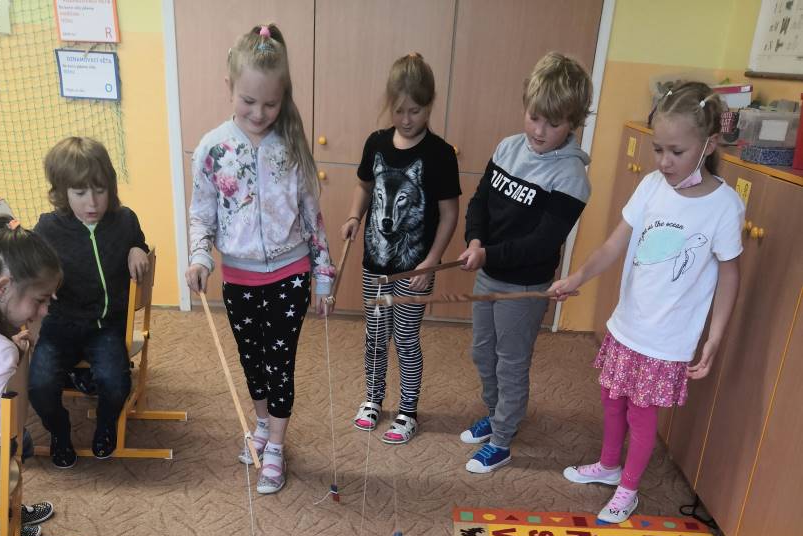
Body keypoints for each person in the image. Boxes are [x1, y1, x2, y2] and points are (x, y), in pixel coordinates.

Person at [551, 81, 743, 523]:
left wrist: (714, 339)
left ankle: (629, 488)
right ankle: (608, 464)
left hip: (666, 340)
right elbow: (614, 245)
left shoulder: (724, 207)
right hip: (628, 324)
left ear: (710, 144)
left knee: (641, 414)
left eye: (676, 151)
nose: (664, 161)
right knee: (611, 397)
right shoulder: (652, 186)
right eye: (658, 149)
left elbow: (730, 276)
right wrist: (577, 277)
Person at [186, 24, 334, 494]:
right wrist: (199, 258)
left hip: (291, 275)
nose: (259, 113)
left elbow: (312, 217)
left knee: (280, 362)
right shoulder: (212, 149)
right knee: (252, 361)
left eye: (271, 104)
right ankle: (263, 424)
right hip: (239, 278)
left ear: (283, 96)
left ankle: (276, 446)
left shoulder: (291, 145)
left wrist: (324, 277)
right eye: (248, 101)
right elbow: (201, 215)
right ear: (229, 87)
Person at [458, 52, 593, 473]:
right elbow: (480, 201)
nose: (539, 130)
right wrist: (475, 240)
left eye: (553, 123)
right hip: (489, 272)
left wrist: (487, 253)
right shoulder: (508, 147)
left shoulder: (571, 175)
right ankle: (498, 413)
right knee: (482, 353)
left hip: (525, 285)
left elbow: (541, 243)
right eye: (534, 117)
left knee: (511, 361)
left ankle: (502, 439)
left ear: (573, 122)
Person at [343, 52, 460, 444]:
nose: (407, 119)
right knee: (375, 336)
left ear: (429, 105)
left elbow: (449, 214)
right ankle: (373, 399)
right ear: (388, 104)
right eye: (399, 110)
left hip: (415, 269)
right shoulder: (376, 143)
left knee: (407, 340)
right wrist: (354, 216)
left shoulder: (440, 154)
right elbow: (364, 186)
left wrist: (431, 262)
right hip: (375, 265)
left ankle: (408, 411)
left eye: (415, 111)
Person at [29, 137, 149, 467]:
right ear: (62, 192)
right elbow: (30, 268)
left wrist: (137, 248)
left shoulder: (125, 220)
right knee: (39, 387)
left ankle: (106, 426)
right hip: (60, 325)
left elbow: (139, 241)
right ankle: (60, 432)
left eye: (99, 190)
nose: (92, 202)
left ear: (110, 187)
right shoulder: (47, 228)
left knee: (116, 384)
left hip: (105, 326)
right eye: (80, 192)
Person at [0, 212, 60, 536]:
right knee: (21, 442)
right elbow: (3, 433)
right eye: (40, 300)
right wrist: (19, 359)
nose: (45, 310)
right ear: (3, 288)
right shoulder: (2, 352)